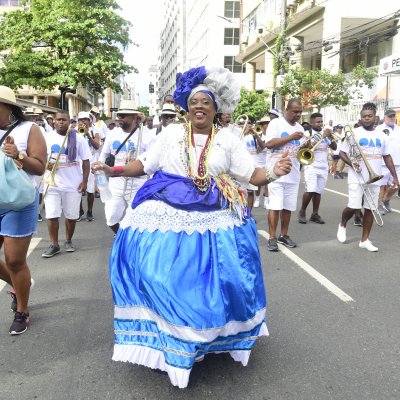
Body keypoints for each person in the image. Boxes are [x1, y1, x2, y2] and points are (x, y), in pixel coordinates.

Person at [92, 66, 292, 388]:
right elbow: (144, 164)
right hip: (166, 209)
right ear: (187, 106)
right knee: (160, 277)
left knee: (219, 282)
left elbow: (251, 175)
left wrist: (274, 173)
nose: (200, 107)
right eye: (195, 101)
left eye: (207, 103)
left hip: (215, 216)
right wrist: (115, 170)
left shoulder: (227, 140)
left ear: (216, 109)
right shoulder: (170, 134)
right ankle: (170, 336)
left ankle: (202, 337)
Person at [0, 86, 47, 335]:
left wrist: (17, 155)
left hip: (19, 202)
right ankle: (20, 285)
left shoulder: (29, 129)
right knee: (14, 269)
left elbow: (39, 167)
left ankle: (23, 309)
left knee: (15, 260)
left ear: (8, 107)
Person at [336, 103, 399, 252]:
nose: (367, 119)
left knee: (370, 209)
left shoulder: (382, 135)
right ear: (361, 117)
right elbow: (342, 153)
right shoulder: (354, 133)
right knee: (354, 206)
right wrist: (351, 163)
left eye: (369, 116)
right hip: (356, 176)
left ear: (375, 117)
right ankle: (343, 224)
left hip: (374, 177)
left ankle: (364, 240)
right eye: (364, 116)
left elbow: (387, 157)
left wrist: (395, 177)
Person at [41, 111, 91, 257]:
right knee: (52, 214)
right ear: (53, 122)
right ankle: (54, 244)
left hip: (73, 184)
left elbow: (86, 161)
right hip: (53, 183)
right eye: (58, 120)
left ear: (69, 121)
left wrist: (85, 181)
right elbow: (41, 158)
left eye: (64, 120)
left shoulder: (78, 138)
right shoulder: (46, 138)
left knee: (71, 215)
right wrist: (46, 166)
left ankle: (68, 240)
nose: (61, 122)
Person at [98, 100, 151, 234]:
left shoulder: (145, 136)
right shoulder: (112, 133)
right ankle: (121, 235)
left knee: (136, 218)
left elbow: (152, 161)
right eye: (119, 115)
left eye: (123, 115)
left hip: (138, 182)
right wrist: (99, 181)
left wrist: (138, 161)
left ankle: (129, 242)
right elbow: (103, 157)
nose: (119, 118)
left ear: (135, 117)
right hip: (116, 182)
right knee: (111, 217)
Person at [265, 98, 305, 251]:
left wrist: (305, 146)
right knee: (275, 206)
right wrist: (290, 137)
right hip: (276, 173)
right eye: (295, 111)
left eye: (300, 112)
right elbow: (269, 144)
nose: (298, 114)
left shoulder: (301, 128)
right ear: (287, 109)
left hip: (293, 173)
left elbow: (300, 152)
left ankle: (284, 235)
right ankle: (272, 237)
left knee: (288, 207)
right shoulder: (276, 124)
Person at [298, 113, 337, 224]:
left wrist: (331, 137)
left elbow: (334, 147)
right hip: (311, 165)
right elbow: (305, 148)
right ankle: (302, 212)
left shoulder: (326, 134)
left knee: (318, 192)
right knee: (310, 190)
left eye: (321, 122)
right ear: (312, 123)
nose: (320, 124)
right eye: (318, 122)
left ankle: (315, 214)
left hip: (323, 166)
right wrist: (322, 137)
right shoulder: (307, 134)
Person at [76, 111, 100, 221]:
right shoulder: (73, 131)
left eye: (85, 119)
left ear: (89, 121)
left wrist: (88, 135)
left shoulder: (95, 131)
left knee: (90, 189)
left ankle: (89, 211)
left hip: (90, 162)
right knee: (78, 189)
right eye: (81, 119)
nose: (83, 121)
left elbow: (97, 146)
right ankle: (79, 210)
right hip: (77, 163)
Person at [377, 109, 400, 214]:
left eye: (393, 116)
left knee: (396, 185)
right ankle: (379, 205)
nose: (392, 118)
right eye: (390, 116)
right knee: (381, 185)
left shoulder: (398, 129)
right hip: (383, 162)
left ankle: (386, 199)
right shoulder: (379, 129)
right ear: (385, 117)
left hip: (397, 162)